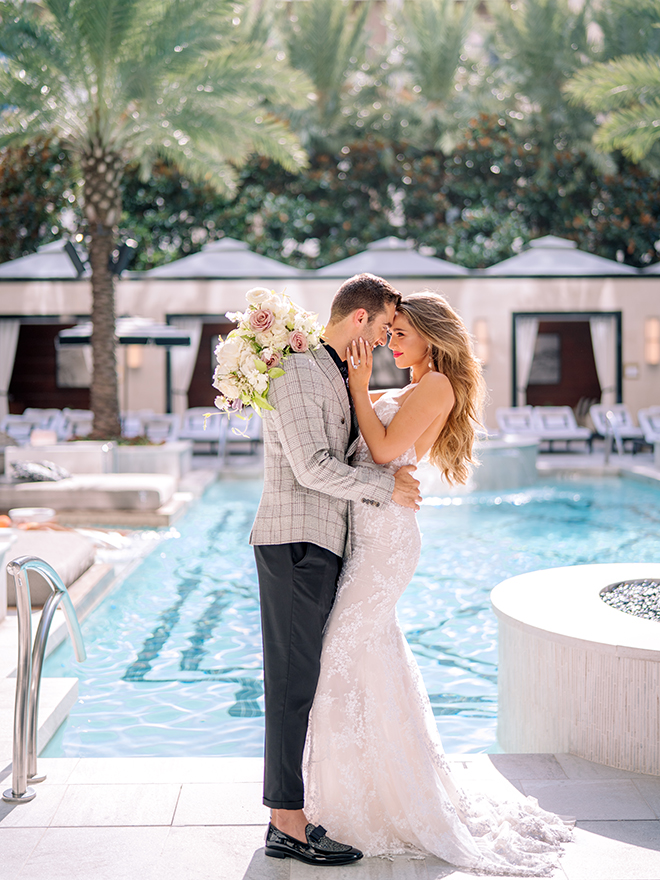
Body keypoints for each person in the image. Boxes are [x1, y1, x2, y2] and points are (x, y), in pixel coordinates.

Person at [303, 291, 573, 876]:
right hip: (372, 532)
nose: (390, 343)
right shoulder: (414, 384)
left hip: (387, 539)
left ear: (429, 335)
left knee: (341, 657)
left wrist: (357, 383)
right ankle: (366, 800)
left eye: (399, 333)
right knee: (366, 658)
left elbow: (381, 448)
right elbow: (355, 429)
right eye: (390, 332)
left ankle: (362, 807)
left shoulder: (437, 387)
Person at [250, 273, 422, 866]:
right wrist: (385, 486)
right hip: (295, 542)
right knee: (292, 685)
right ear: (358, 319)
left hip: (319, 544)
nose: (381, 342)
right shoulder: (300, 371)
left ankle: (291, 813)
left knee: (303, 681)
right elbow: (310, 467)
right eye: (380, 329)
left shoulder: (329, 368)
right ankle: (287, 823)